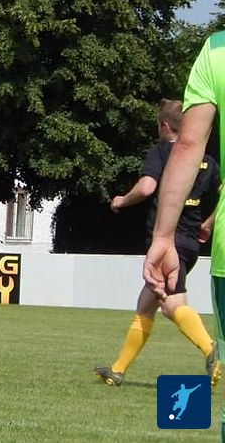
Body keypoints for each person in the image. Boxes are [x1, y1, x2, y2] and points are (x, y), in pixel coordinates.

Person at [94, 99, 221, 387]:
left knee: (171, 305)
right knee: (146, 306)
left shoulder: (163, 151)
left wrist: (121, 200)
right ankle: (117, 370)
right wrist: (209, 222)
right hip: (190, 242)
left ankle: (210, 348)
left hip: (168, 243)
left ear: (164, 126)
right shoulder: (207, 161)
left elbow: (147, 186)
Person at [142, 31, 225, 436]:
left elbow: (188, 145)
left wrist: (162, 237)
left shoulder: (217, 50)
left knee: (162, 303)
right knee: (156, 304)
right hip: (199, 237)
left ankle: (210, 349)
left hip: (197, 242)